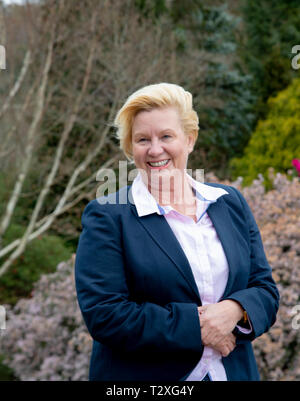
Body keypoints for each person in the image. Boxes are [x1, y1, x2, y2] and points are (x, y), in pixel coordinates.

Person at [75, 83, 280, 381]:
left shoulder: (228, 202)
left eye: (166, 136)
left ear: (190, 139)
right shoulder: (108, 215)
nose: (155, 149)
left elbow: (265, 289)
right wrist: (201, 327)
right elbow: (105, 314)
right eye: (142, 139)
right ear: (130, 148)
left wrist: (236, 309)